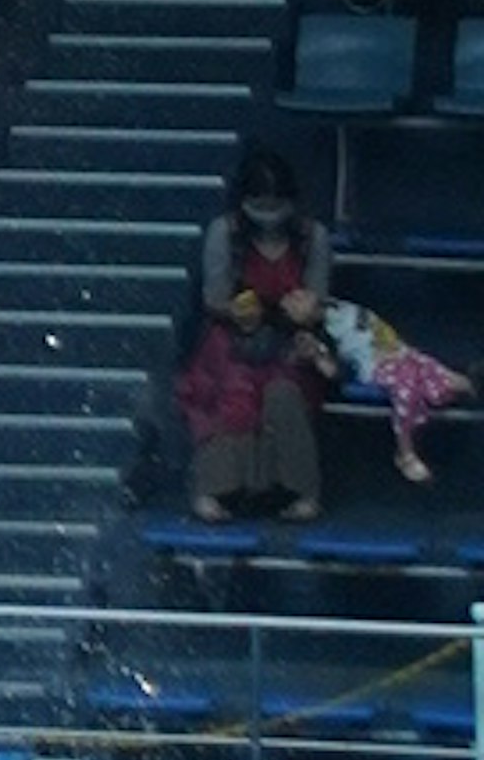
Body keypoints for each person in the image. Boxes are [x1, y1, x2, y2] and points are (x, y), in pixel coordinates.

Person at [179, 143, 332, 523]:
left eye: (276, 204)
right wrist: (237, 311)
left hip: (289, 338)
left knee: (285, 394)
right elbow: (214, 297)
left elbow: (318, 298)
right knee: (234, 392)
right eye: (259, 205)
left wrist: (305, 309)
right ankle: (214, 489)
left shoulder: (313, 237)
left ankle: (301, 491)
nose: (269, 214)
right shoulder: (224, 233)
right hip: (232, 334)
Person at [319, 289, 475, 491]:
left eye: (299, 294)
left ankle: (465, 383)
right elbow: (333, 370)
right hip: (375, 367)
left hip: (399, 351)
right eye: (291, 302)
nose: (297, 297)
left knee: (426, 370)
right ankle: (405, 450)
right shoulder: (319, 334)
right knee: (407, 383)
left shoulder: (339, 306)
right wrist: (319, 355)